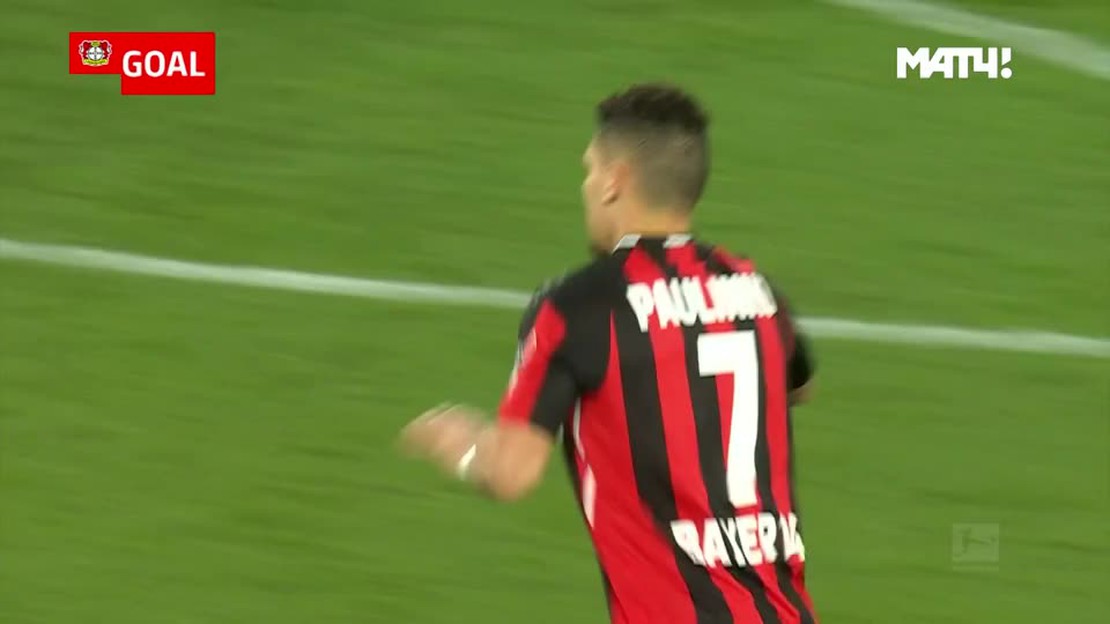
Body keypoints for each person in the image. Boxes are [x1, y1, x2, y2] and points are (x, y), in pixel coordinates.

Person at [400, 83, 818, 624]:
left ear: (615, 181)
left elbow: (510, 473)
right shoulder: (758, 292)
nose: (587, 185)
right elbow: (799, 384)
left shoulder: (578, 307)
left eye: (590, 170)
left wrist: (462, 444)